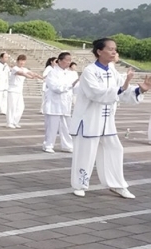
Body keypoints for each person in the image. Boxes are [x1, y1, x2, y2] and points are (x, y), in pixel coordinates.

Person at [70, 38, 150, 198]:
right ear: (99, 51)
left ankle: (116, 184)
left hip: (107, 122)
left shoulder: (113, 71)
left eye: (115, 49)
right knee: (86, 152)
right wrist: (122, 87)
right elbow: (96, 93)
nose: (114, 52)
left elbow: (123, 93)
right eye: (111, 49)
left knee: (115, 149)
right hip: (89, 120)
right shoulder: (89, 71)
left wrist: (140, 90)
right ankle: (80, 184)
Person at [42, 52, 78, 153]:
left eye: (70, 60)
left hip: (65, 104)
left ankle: (67, 145)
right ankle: (48, 144)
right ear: (60, 60)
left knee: (66, 126)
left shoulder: (69, 73)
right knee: (52, 126)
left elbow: (75, 88)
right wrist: (71, 85)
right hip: (54, 103)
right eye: (67, 60)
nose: (69, 62)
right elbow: (56, 88)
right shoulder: (52, 73)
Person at [6, 54, 41, 129]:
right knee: (12, 107)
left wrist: (41, 77)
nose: (22, 62)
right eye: (21, 61)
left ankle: (15, 122)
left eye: (23, 61)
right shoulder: (15, 68)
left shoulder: (24, 69)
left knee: (21, 107)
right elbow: (22, 73)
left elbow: (31, 73)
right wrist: (31, 77)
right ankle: (9, 122)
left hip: (19, 91)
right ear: (17, 61)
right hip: (12, 90)